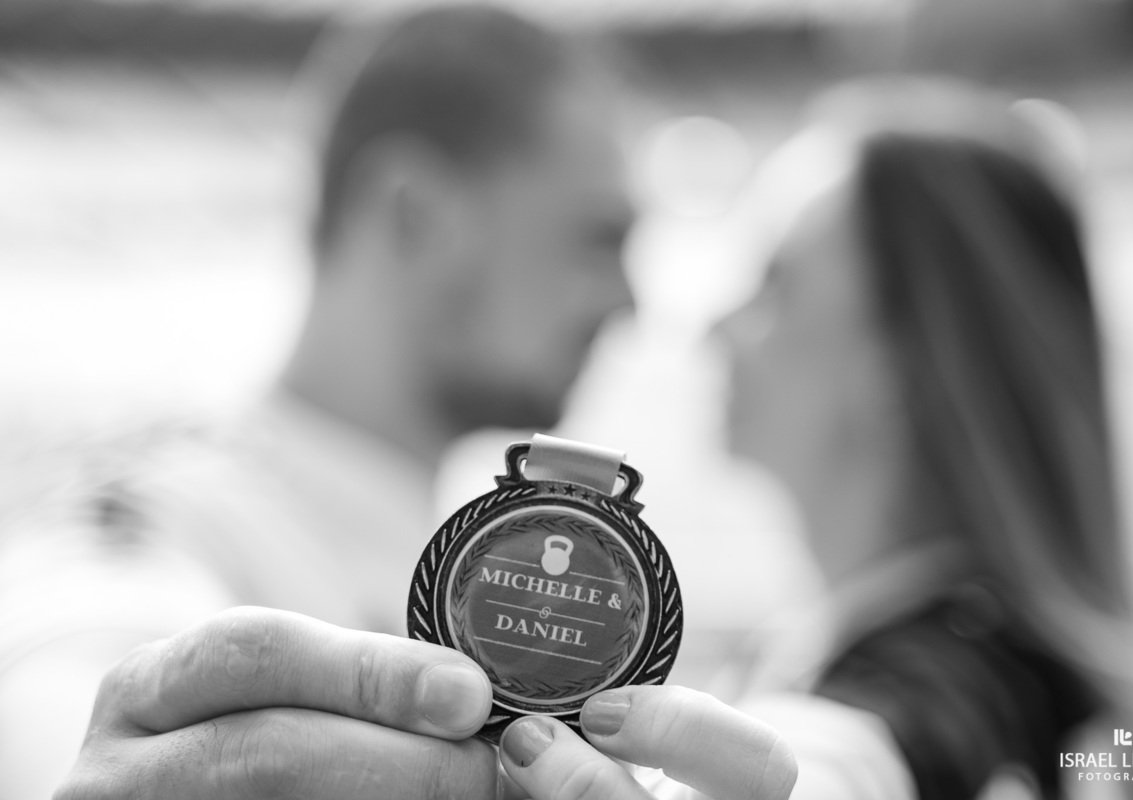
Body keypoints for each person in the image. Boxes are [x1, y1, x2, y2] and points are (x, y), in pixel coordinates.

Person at [23, 6, 800, 800]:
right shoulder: (162, 525)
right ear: (414, 212)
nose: (632, 302)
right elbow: (73, 700)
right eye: (598, 237)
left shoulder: (465, 557)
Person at [719, 77, 1133, 799]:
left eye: (776, 280)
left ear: (898, 362)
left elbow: (857, 753)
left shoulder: (939, 685)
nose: (720, 325)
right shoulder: (1013, 662)